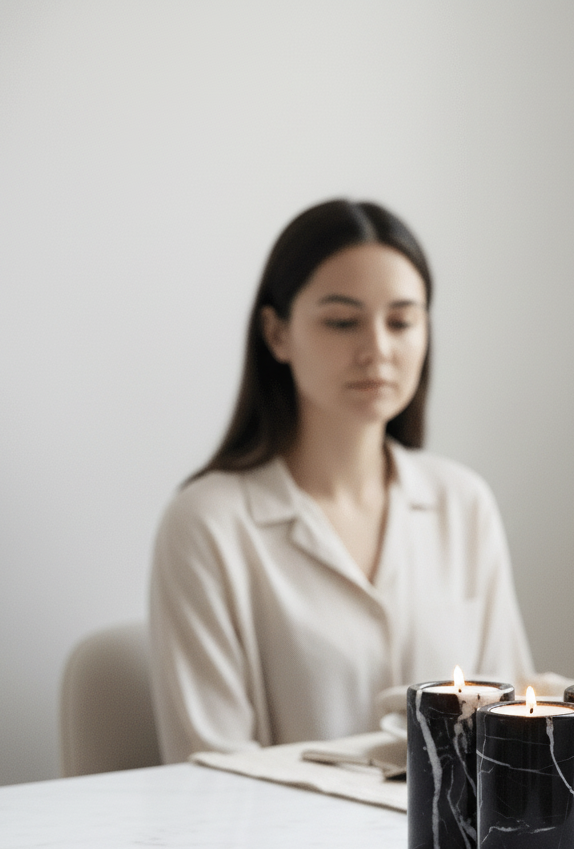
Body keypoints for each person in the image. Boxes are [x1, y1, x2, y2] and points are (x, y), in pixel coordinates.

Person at [149, 200, 535, 763]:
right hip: (280, 847)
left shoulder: (463, 502)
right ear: (276, 334)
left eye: (401, 321)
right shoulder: (206, 522)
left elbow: (508, 727)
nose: (377, 349)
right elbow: (211, 767)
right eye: (342, 321)